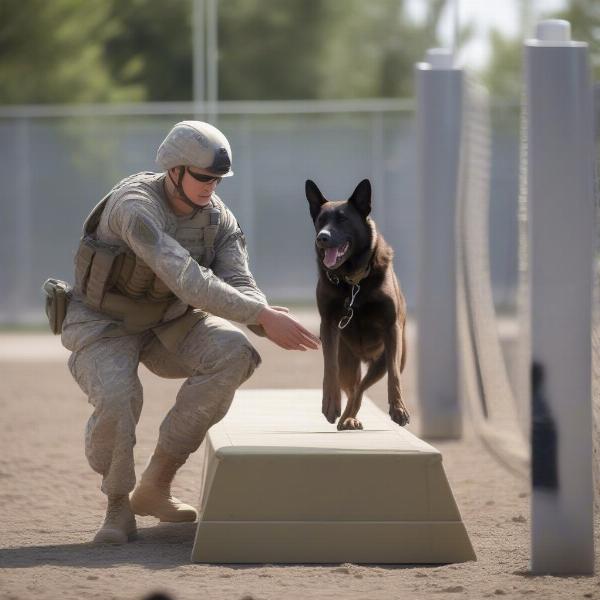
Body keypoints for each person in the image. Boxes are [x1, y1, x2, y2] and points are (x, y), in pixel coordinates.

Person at [60, 121, 320, 544]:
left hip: (169, 319)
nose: (210, 186)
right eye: (202, 177)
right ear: (175, 170)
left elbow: (239, 278)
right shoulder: (134, 207)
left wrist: (261, 315)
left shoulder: (219, 218)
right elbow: (184, 276)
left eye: (217, 179)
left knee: (234, 353)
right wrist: (260, 314)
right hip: (105, 321)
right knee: (117, 397)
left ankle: (156, 484)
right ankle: (118, 505)